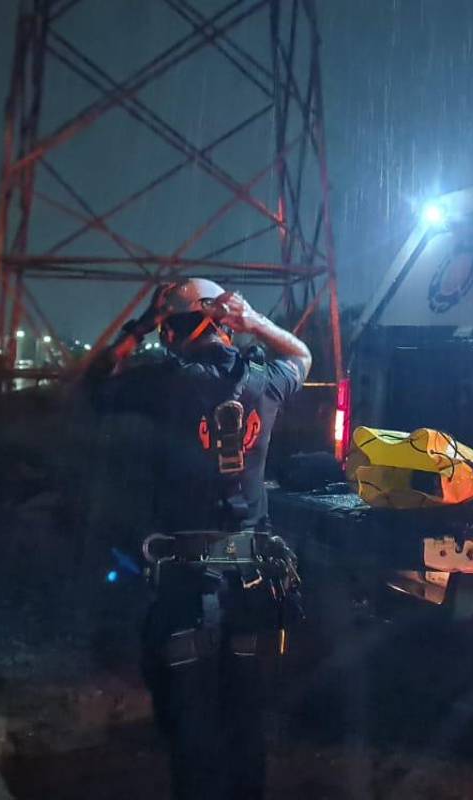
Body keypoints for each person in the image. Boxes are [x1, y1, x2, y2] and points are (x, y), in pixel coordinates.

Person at [86, 278, 309, 800]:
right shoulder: (266, 379)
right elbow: (302, 354)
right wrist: (255, 323)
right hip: (253, 585)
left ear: (169, 330)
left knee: (189, 726)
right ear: (226, 326)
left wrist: (136, 329)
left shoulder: (159, 382)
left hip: (187, 587)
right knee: (247, 721)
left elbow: (94, 386)